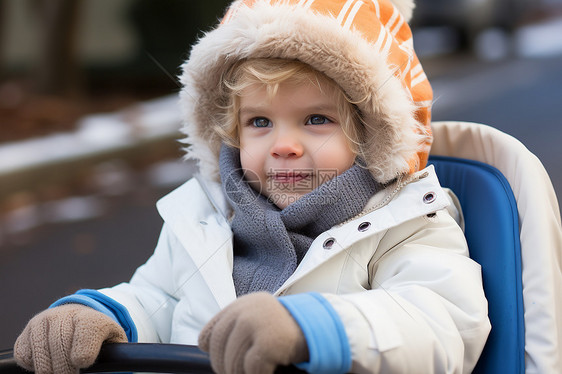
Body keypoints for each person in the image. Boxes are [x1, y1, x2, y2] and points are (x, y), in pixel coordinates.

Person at [14, 0, 491, 373]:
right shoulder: (206, 217)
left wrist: (313, 330)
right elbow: (161, 299)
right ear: (232, 130)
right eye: (260, 121)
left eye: (316, 119)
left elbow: (440, 322)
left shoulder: (405, 222)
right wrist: (105, 315)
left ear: (369, 134)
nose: (283, 145)